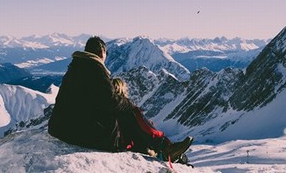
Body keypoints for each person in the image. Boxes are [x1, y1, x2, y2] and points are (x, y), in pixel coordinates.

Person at [48, 36, 192, 162]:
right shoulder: (94, 68)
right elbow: (111, 102)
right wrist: (130, 104)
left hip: (63, 128)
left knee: (124, 114)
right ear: (101, 52)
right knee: (130, 113)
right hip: (82, 133)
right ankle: (165, 147)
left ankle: (159, 147)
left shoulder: (75, 68)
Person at [111, 77, 194, 162]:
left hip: (122, 140)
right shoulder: (127, 107)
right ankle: (166, 147)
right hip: (123, 142)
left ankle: (166, 150)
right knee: (137, 117)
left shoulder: (113, 106)